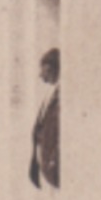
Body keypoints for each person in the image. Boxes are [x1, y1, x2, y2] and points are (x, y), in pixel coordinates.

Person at [29, 49, 61, 189]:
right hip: (47, 168)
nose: (41, 75)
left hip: (55, 169)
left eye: (45, 70)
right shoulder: (51, 93)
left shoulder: (62, 94)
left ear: (54, 69)